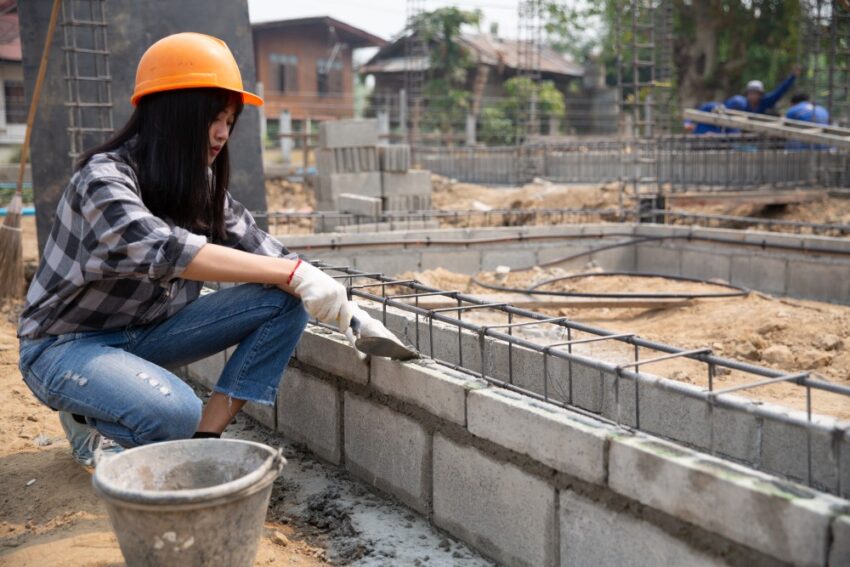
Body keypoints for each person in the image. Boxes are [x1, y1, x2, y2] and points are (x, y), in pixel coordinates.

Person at [16, 33, 354, 467]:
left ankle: (203, 439)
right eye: (212, 118)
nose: (221, 134)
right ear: (169, 115)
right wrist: (292, 274)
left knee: (282, 301)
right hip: (65, 347)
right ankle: (89, 422)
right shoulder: (104, 179)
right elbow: (161, 249)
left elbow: (267, 253)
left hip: (144, 335)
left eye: (230, 121)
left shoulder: (200, 185)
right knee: (171, 412)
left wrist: (343, 304)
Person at [730, 66, 799, 115]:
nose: (752, 96)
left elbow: (780, 91)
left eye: (755, 93)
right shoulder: (741, 104)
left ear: (760, 95)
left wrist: (792, 77)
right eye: (750, 93)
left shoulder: (766, 102)